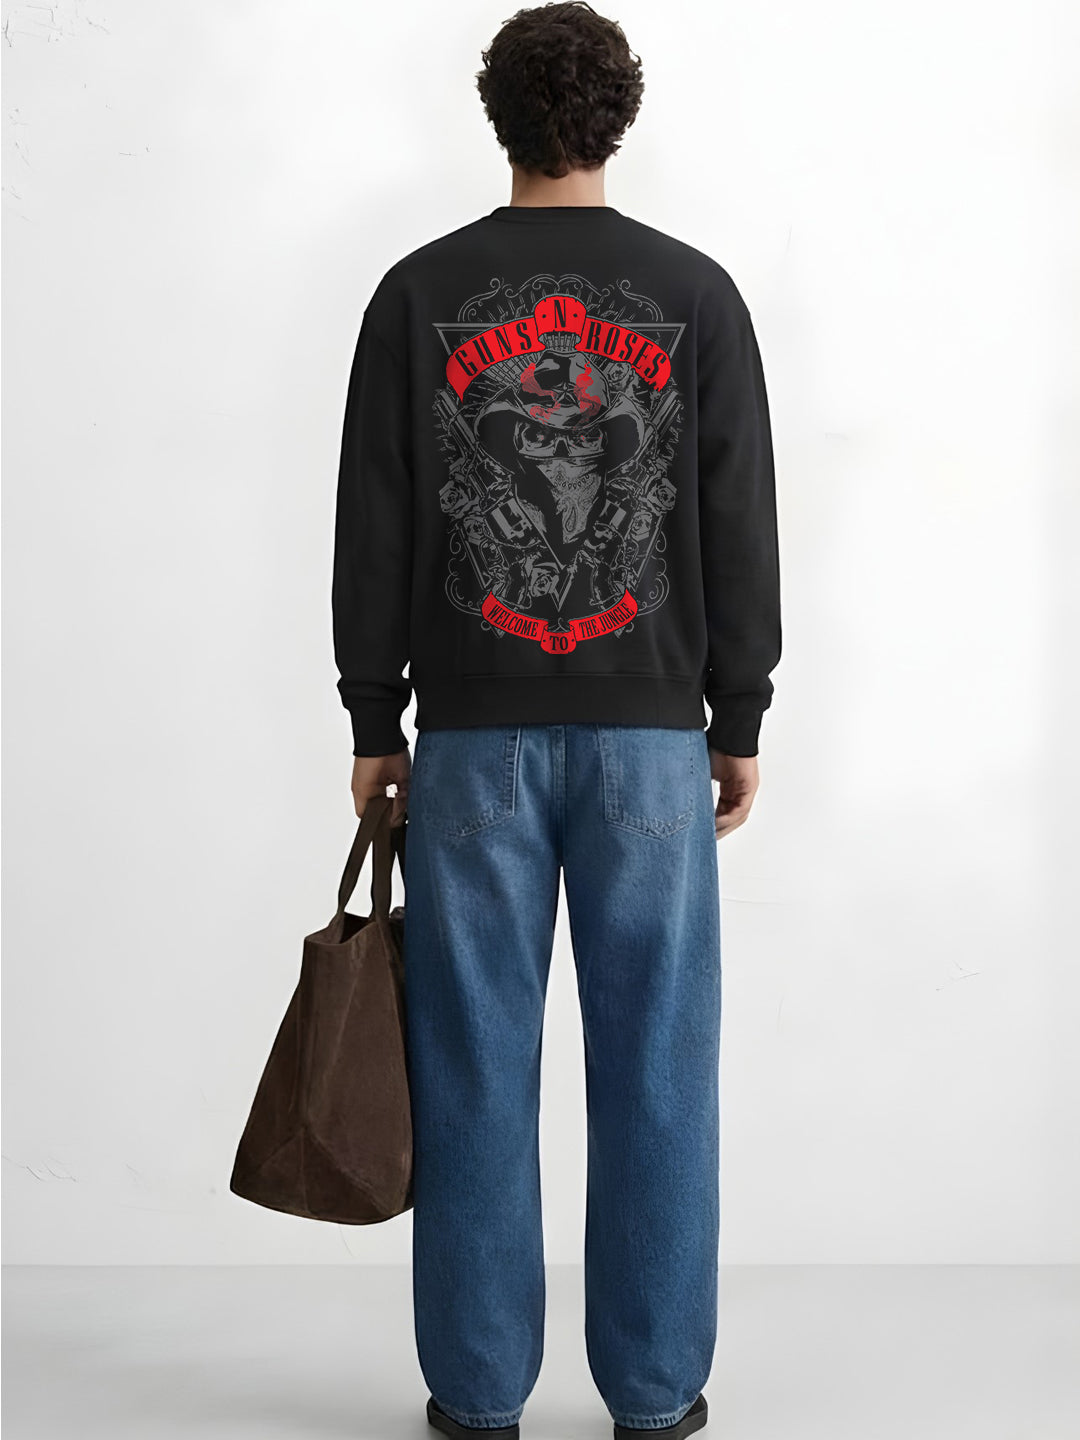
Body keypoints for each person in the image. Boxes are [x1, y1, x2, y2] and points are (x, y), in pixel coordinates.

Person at [330, 4, 781, 1435]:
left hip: (471, 742)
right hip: (652, 741)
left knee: (472, 1067)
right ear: (618, 116)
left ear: (498, 114)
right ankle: (654, 1393)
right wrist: (737, 713)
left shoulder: (418, 293)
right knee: (659, 1069)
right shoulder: (695, 294)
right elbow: (738, 519)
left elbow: (375, 525)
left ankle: (478, 1396)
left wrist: (374, 718)